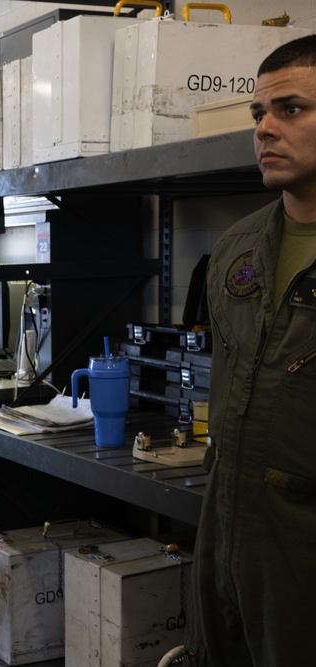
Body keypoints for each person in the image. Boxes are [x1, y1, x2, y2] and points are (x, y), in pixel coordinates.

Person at [185, 34, 316, 666]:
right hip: (228, 532)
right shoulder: (237, 247)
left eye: (290, 110)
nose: (264, 129)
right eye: (258, 115)